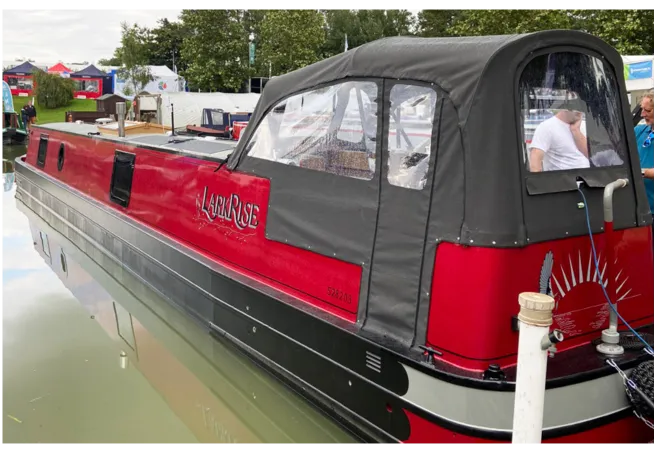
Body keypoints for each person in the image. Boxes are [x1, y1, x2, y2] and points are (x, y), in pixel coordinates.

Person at [528, 97, 589, 172]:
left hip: (587, 178)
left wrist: (576, 131)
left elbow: (589, 155)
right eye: (576, 108)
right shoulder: (547, 127)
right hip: (563, 180)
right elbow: (535, 160)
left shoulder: (582, 125)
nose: (580, 111)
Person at [635, 90, 654, 213]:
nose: (642, 114)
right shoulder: (639, 130)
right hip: (640, 206)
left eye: (647, 111)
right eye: (642, 109)